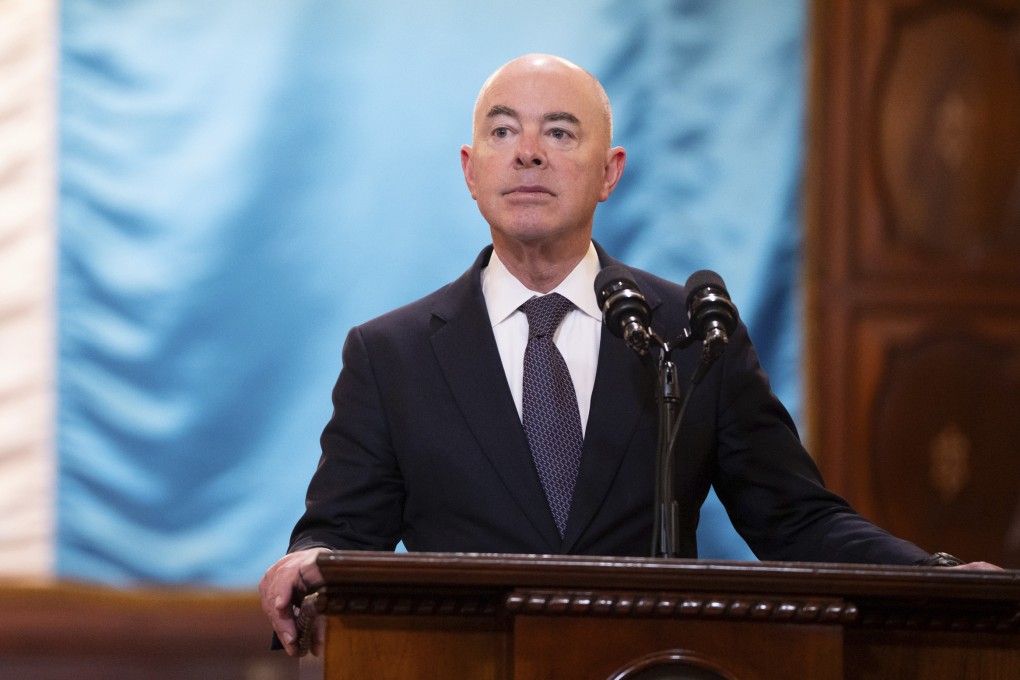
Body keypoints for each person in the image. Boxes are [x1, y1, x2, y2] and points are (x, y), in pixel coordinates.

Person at [259, 53, 1000, 656]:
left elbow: (795, 519)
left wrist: (936, 576)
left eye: (559, 132)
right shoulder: (390, 355)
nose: (527, 153)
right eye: (503, 132)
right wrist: (305, 558)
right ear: (469, 169)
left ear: (610, 172)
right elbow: (340, 538)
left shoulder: (690, 331)